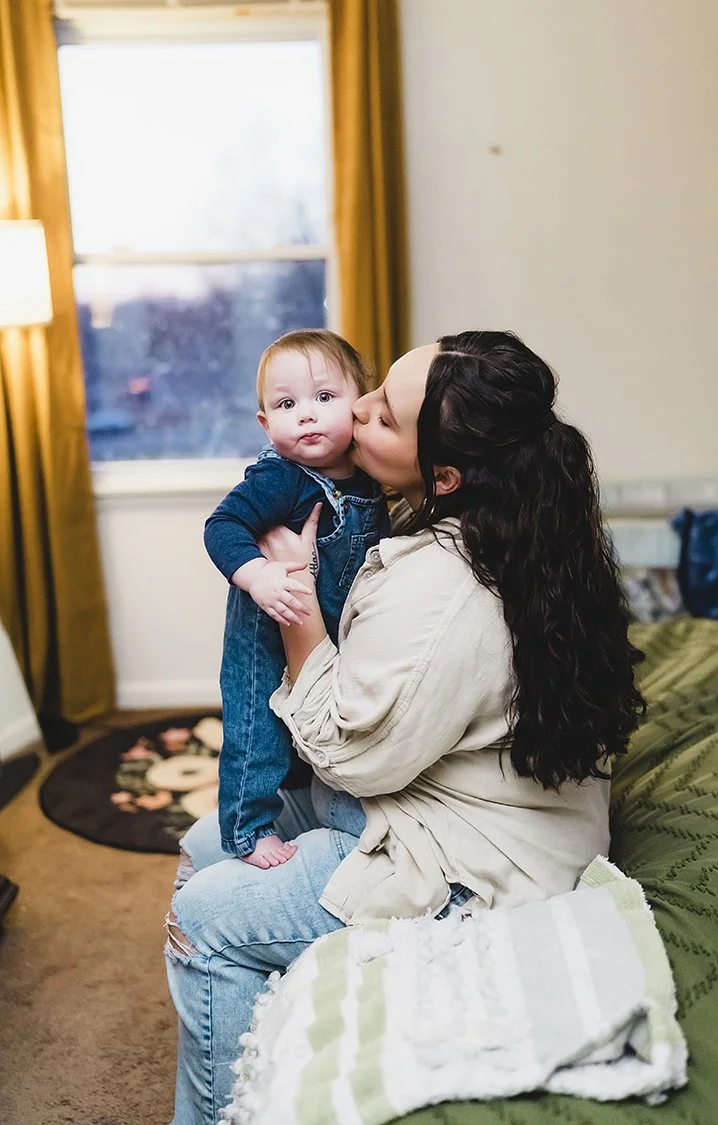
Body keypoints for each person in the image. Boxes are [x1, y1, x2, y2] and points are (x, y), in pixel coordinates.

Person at [165, 330, 645, 1125]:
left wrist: (297, 604)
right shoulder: (506, 519)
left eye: (382, 412)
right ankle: (254, 1045)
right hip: (441, 791)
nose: (356, 409)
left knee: (204, 916)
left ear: (445, 474)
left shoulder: (444, 588)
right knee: (206, 841)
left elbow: (351, 757)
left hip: (466, 859)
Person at [203, 330, 390, 869]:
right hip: (266, 637)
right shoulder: (280, 478)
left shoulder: (369, 479)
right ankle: (247, 828)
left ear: (360, 403)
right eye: (287, 405)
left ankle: (300, 799)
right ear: (265, 422)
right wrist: (257, 574)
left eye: (324, 398)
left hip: (329, 638)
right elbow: (223, 525)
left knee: (313, 731)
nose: (306, 416)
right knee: (255, 731)